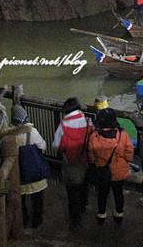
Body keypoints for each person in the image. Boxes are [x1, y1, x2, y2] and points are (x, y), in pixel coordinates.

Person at [1, 105, 48, 230]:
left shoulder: (8, 135)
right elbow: (42, 147)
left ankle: (23, 219)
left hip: (18, 174)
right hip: (35, 173)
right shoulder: (32, 132)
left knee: (20, 200)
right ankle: (37, 221)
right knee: (37, 199)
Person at [87, 108, 134, 225]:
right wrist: (125, 161)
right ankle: (119, 214)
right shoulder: (122, 135)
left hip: (102, 171)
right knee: (118, 192)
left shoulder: (94, 137)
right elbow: (129, 153)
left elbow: (91, 156)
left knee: (102, 193)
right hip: (119, 171)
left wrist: (97, 163)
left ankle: (101, 214)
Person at [52, 97, 92, 229]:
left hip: (70, 162)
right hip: (86, 160)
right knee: (84, 184)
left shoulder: (63, 125)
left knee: (72, 191)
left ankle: (75, 220)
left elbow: (56, 145)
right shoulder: (88, 122)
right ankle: (84, 205)